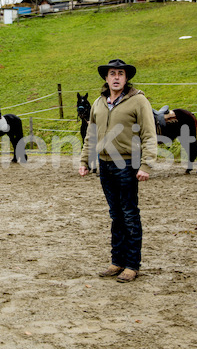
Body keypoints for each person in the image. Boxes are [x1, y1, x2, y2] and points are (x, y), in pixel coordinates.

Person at [79, 59, 157, 283]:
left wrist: (146, 164)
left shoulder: (138, 101)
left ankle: (132, 265)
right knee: (115, 215)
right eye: (112, 73)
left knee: (130, 214)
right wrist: (85, 160)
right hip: (104, 165)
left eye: (120, 74)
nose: (115, 77)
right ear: (106, 78)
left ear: (126, 78)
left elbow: (149, 135)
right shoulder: (99, 103)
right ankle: (117, 261)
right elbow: (90, 135)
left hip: (127, 163)